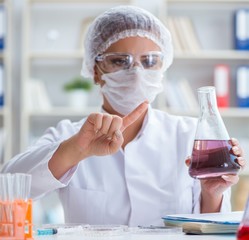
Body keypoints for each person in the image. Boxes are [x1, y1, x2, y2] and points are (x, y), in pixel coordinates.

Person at [1, 5, 246, 226]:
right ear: (95, 71)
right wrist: (75, 150)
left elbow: (207, 228)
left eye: (150, 61)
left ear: (162, 68)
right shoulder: (68, 136)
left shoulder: (190, 134)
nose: (137, 73)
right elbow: (7, 188)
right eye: (120, 61)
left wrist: (212, 193)